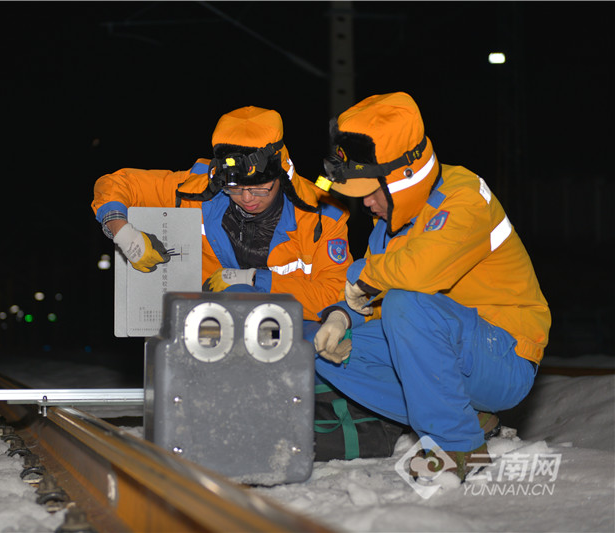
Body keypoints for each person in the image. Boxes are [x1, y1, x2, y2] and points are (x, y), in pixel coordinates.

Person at [311, 92, 551, 481]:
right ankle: (467, 418)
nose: (366, 203)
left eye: (371, 191)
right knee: (321, 347)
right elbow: (372, 292)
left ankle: (458, 448)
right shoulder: (388, 224)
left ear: (404, 177)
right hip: (454, 352)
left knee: (406, 303)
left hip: (505, 353)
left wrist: (364, 277)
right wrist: (341, 316)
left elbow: (418, 273)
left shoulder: (464, 196)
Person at [91, 106, 352, 326]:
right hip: (204, 330)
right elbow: (115, 183)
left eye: (260, 188)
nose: (247, 198)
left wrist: (254, 281)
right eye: (234, 187)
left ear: (283, 174)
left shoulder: (323, 217)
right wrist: (123, 233)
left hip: (290, 330)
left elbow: (336, 293)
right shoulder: (193, 192)